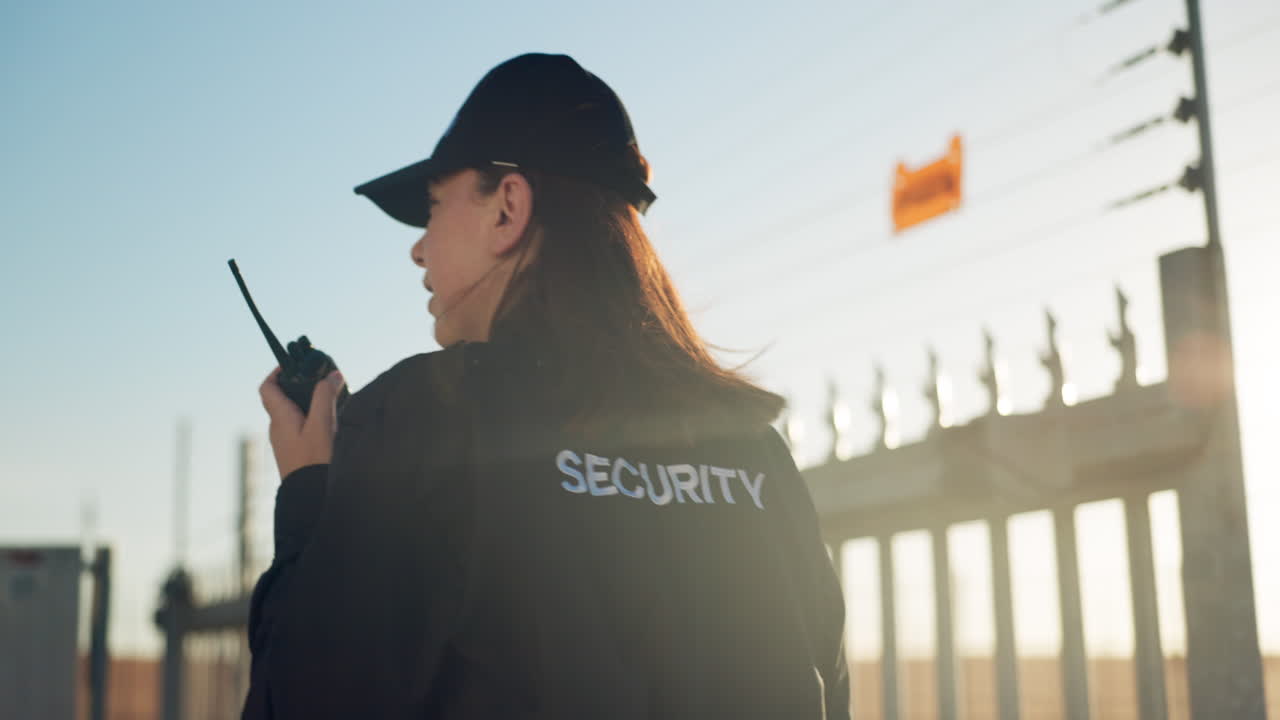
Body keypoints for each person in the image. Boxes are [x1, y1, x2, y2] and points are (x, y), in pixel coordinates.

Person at [244, 53, 848, 719]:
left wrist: (310, 494)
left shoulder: (423, 420)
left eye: (434, 206)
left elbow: (303, 700)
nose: (418, 249)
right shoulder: (755, 451)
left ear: (508, 207)